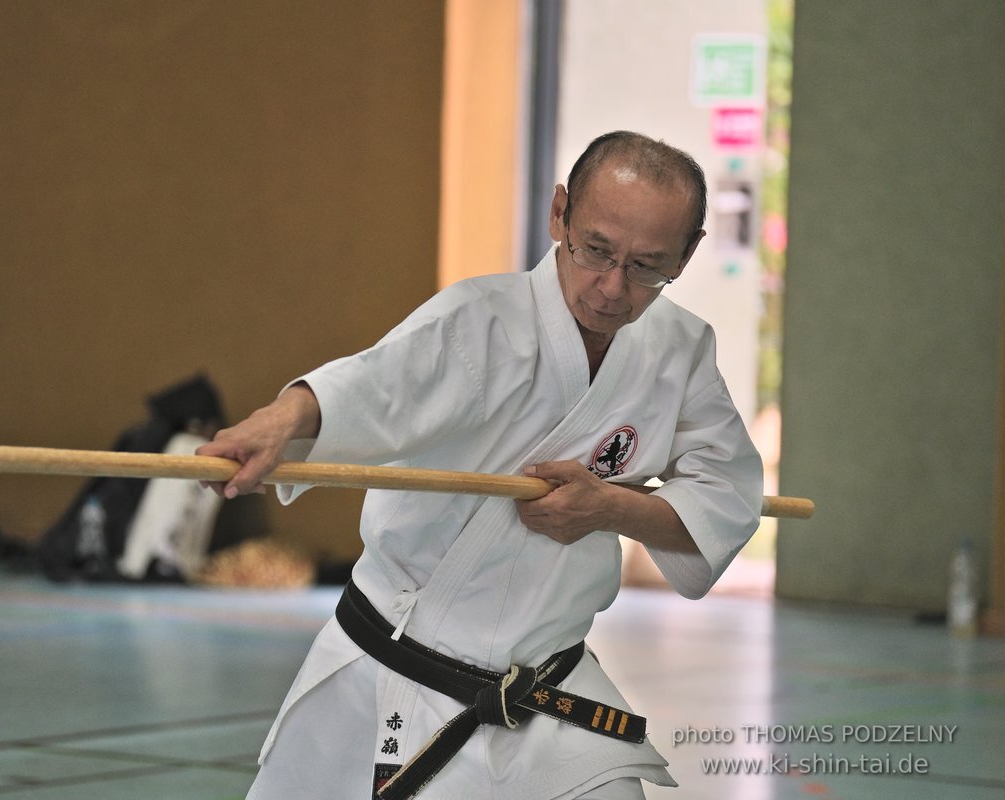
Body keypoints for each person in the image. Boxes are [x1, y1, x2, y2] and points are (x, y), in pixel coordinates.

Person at [196, 131, 763, 799]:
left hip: (547, 692)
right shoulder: (480, 323)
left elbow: (727, 496)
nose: (613, 288)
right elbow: (375, 386)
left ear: (689, 253)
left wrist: (610, 508)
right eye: (596, 251)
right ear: (560, 214)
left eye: (647, 267)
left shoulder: (680, 351)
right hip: (399, 676)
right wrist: (284, 419)